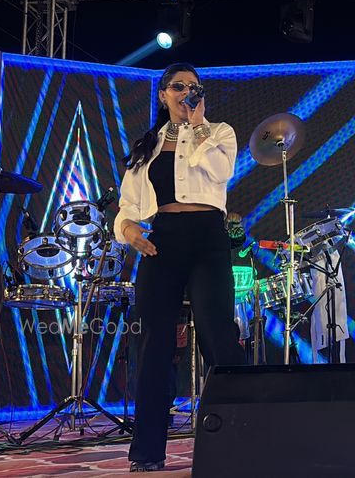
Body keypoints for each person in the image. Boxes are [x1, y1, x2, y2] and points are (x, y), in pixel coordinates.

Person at [115, 63, 245, 472]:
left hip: (208, 237)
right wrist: (128, 229)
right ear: (163, 94)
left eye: (193, 86)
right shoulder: (146, 145)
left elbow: (221, 172)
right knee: (153, 343)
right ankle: (148, 451)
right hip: (163, 241)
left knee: (217, 334)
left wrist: (198, 124)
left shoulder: (219, 132)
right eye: (178, 86)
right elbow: (127, 205)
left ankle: (238, 442)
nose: (186, 92)